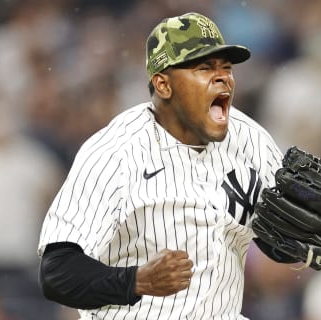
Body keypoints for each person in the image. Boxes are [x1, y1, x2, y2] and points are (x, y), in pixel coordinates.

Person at [38, 12, 298, 320]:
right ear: (163, 84)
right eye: (204, 68)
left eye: (225, 67)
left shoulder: (251, 140)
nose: (222, 77)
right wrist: (136, 281)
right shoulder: (115, 151)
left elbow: (283, 240)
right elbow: (57, 271)